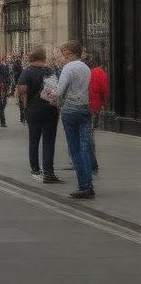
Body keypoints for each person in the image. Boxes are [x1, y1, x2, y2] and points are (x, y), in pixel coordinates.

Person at [15, 46, 60, 184]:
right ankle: (48, 171)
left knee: (34, 139)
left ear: (31, 58)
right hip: (51, 109)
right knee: (49, 141)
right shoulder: (51, 71)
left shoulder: (27, 72)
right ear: (44, 57)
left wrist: (24, 106)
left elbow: (22, 91)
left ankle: (35, 168)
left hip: (34, 109)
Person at [57, 41, 94, 199]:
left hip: (70, 111)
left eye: (64, 53)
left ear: (69, 53)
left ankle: (83, 186)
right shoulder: (85, 67)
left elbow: (59, 92)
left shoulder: (68, 68)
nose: (62, 56)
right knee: (86, 148)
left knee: (75, 149)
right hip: (85, 109)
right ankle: (89, 185)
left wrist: (50, 93)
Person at [87, 56, 109, 177]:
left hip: (86, 106)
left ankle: (91, 162)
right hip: (95, 106)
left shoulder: (88, 72)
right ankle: (91, 161)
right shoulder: (102, 73)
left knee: (87, 135)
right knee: (90, 134)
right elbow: (105, 91)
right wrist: (105, 106)